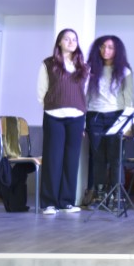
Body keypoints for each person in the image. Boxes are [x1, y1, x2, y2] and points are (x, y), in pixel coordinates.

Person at [37, 28, 90, 215]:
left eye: (74, 39)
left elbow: (84, 95)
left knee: (71, 160)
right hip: (54, 117)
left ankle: (66, 201)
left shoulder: (84, 66)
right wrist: (53, 105)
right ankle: (49, 203)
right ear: (59, 42)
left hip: (77, 118)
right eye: (66, 39)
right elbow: (41, 91)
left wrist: (83, 122)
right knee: (53, 159)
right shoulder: (48, 64)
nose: (70, 42)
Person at [85, 35, 133, 209]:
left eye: (110, 47)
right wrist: (83, 123)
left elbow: (128, 99)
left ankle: (117, 197)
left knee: (116, 158)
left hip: (116, 117)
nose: (106, 50)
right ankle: (99, 196)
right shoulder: (90, 69)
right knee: (98, 158)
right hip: (95, 116)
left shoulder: (125, 71)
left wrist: (127, 126)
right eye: (103, 47)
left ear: (117, 50)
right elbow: (86, 97)